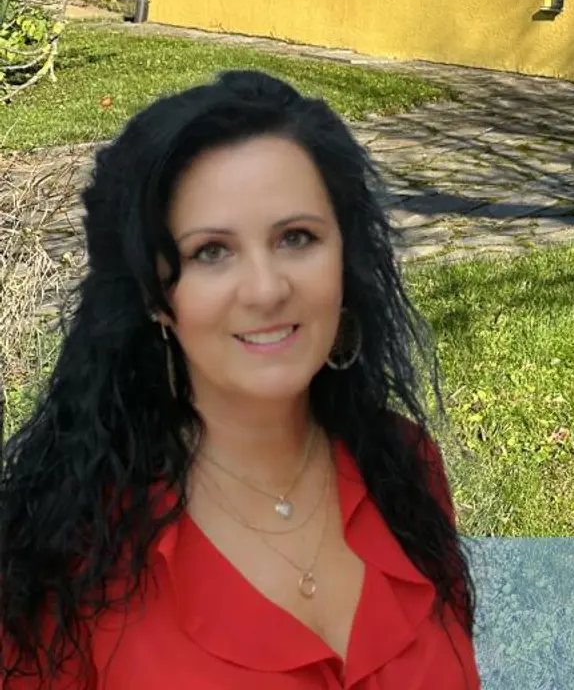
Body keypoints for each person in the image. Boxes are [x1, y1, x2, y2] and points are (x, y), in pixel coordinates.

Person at [0, 70, 479, 686]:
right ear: (153, 296)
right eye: (211, 252)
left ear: (344, 255)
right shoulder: (65, 546)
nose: (265, 289)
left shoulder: (406, 466)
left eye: (297, 238)